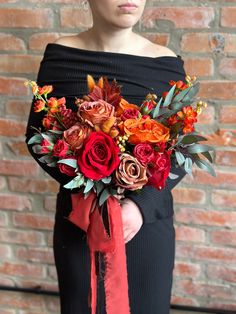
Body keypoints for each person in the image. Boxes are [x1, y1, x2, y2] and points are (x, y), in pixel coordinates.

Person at [25, 0, 187, 313]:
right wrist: (92, 195)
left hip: (146, 224)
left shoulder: (166, 63)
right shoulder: (61, 56)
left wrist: (138, 208)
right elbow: (37, 136)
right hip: (82, 220)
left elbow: (178, 152)